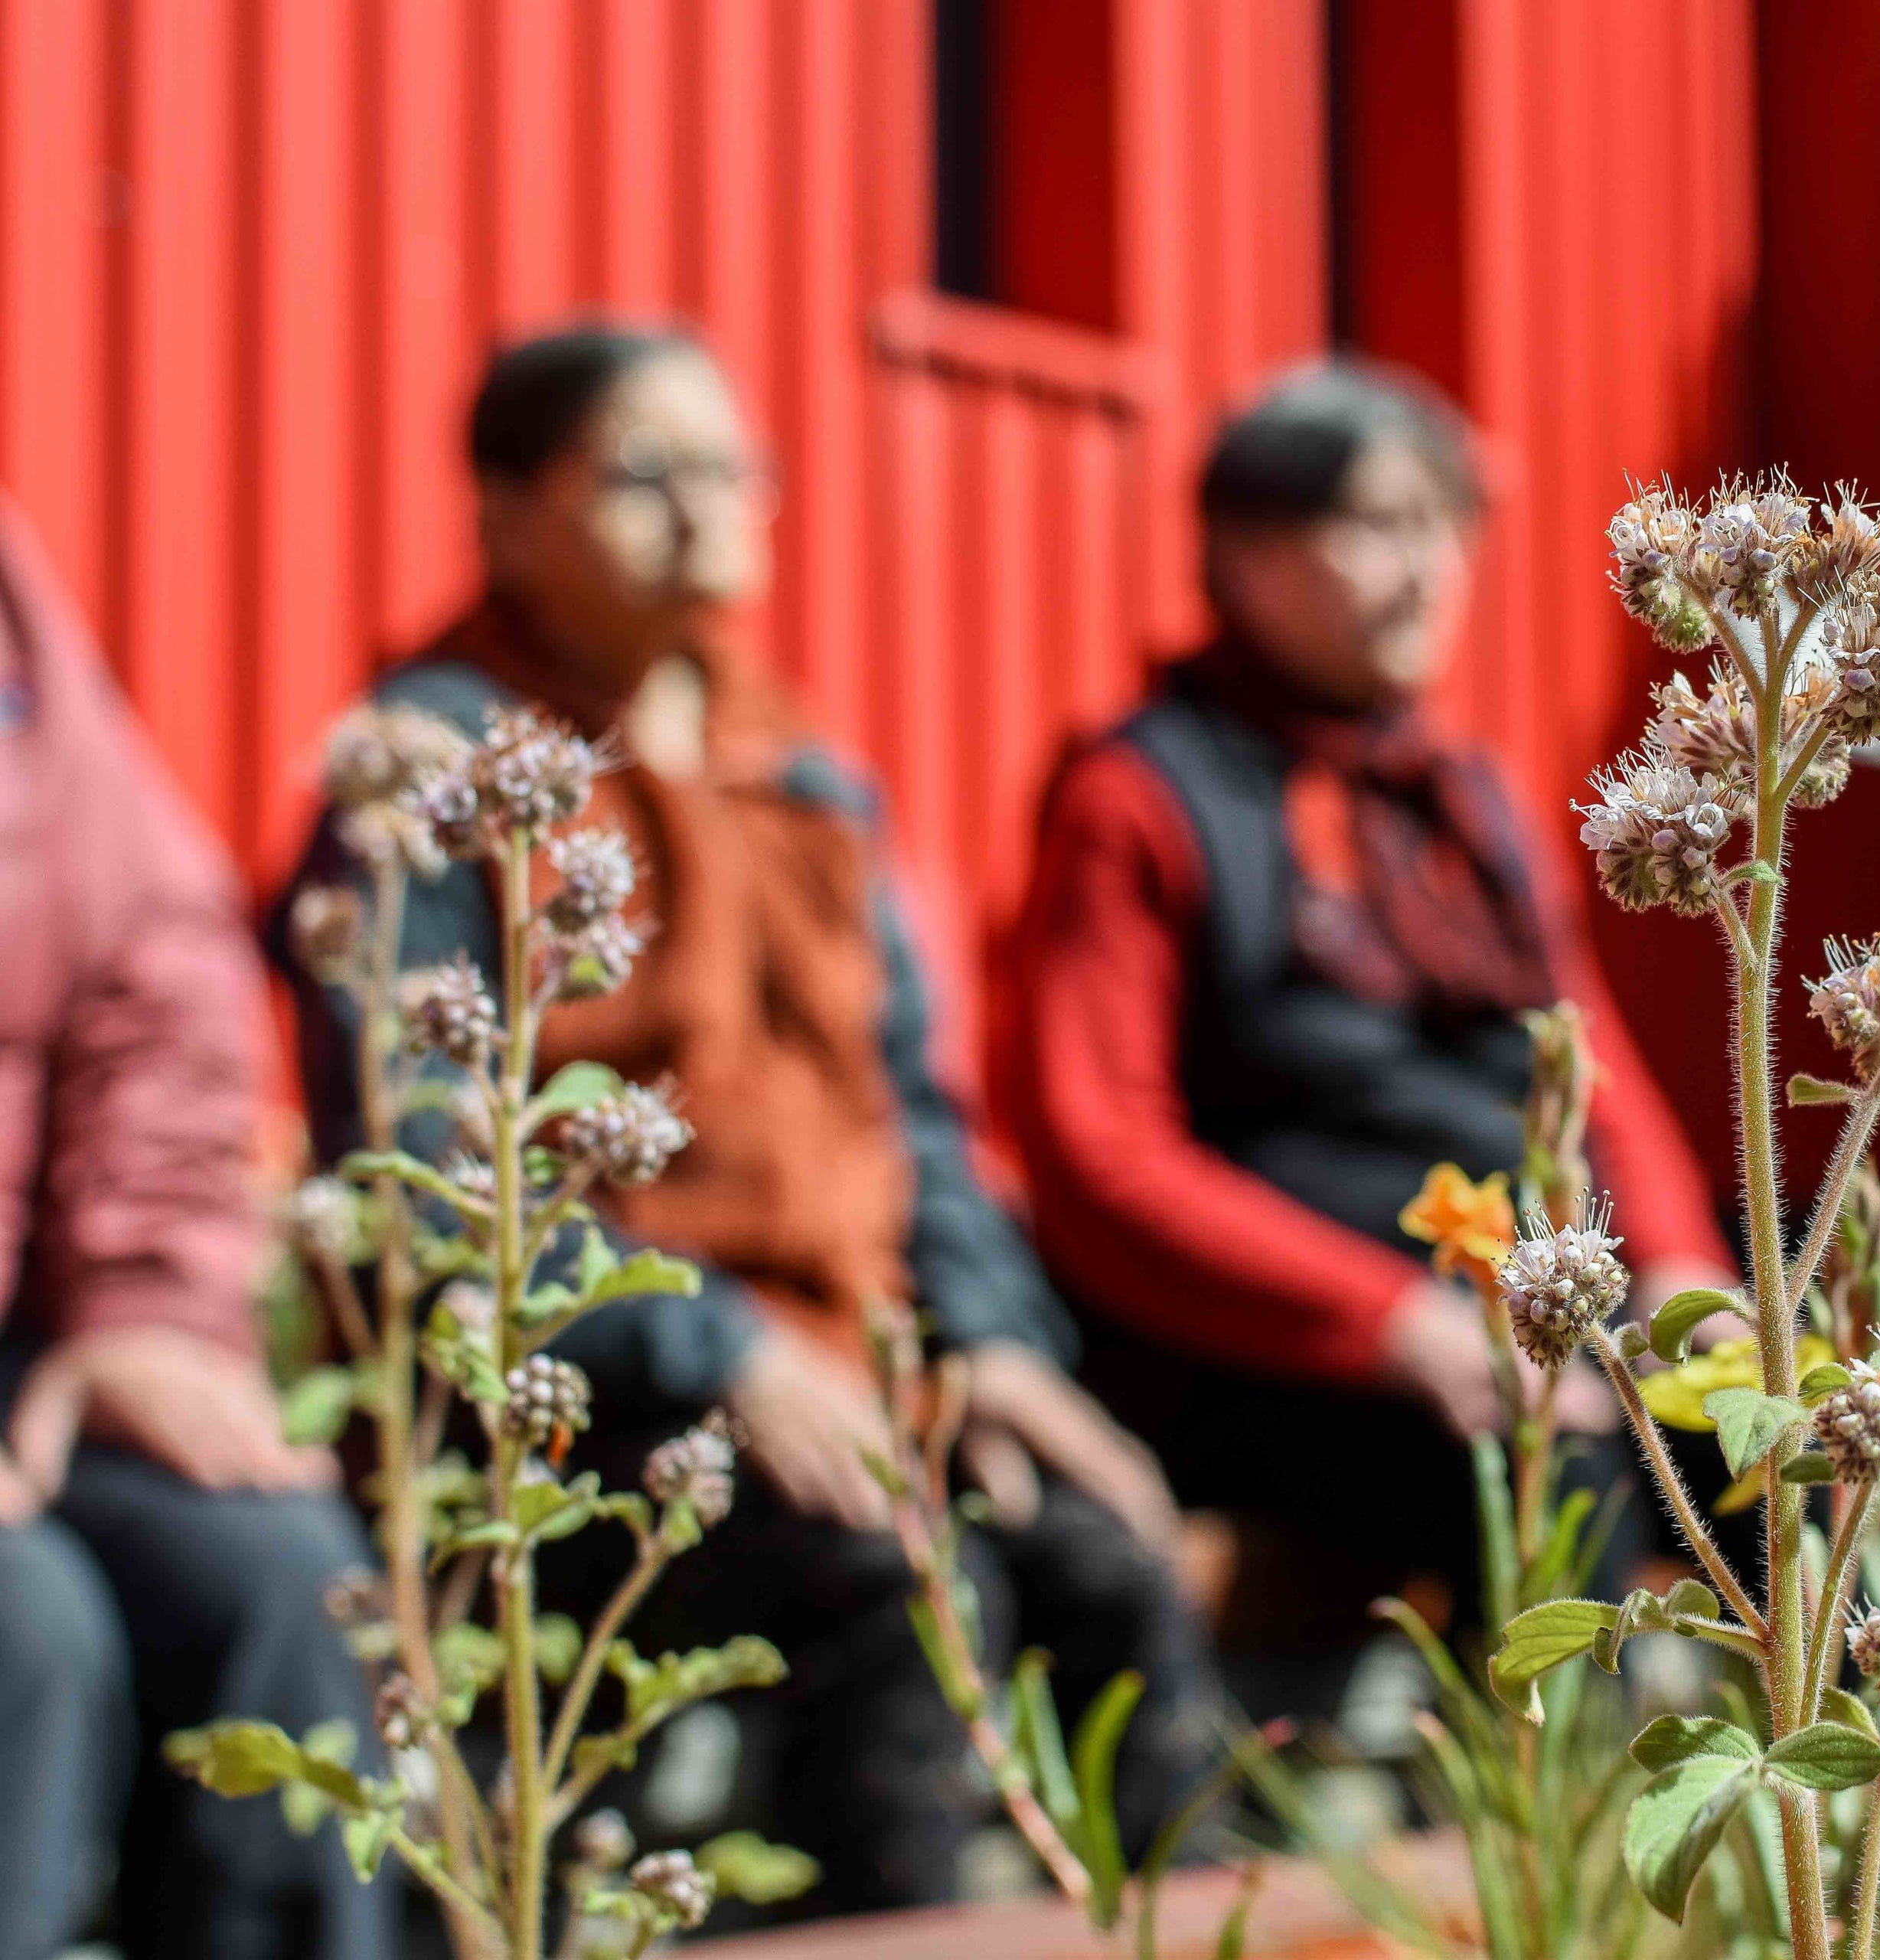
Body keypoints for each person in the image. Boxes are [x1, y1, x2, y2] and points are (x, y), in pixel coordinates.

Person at [278, 327, 1216, 1912]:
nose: (704, 508)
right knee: (905, 1589)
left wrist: (993, 1341)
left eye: (731, 469)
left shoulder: (804, 773)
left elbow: (914, 1114)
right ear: (507, 512)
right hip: (580, 1412)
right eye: (646, 471)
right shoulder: (444, 772)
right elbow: (427, 1176)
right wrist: (720, 1348)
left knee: (1112, 1560)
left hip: (857, 1368)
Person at [1005, 363, 1735, 1648]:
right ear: (1245, 555)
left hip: (1536, 1311)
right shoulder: (1140, 796)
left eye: (1446, 526)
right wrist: (1393, 1324)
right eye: (1381, 525)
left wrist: (1687, 1279)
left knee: (1784, 1437)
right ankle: (1546, 1783)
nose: (1429, 570)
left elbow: (1588, 1062)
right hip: (1287, 1355)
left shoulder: (1459, 797)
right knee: (1553, 1472)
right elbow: (1101, 1162)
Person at [0, 497, 393, 1960]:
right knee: (24, 1637)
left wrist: (143, 1310)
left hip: (33, 1342)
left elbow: (153, 971)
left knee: (284, 1587)